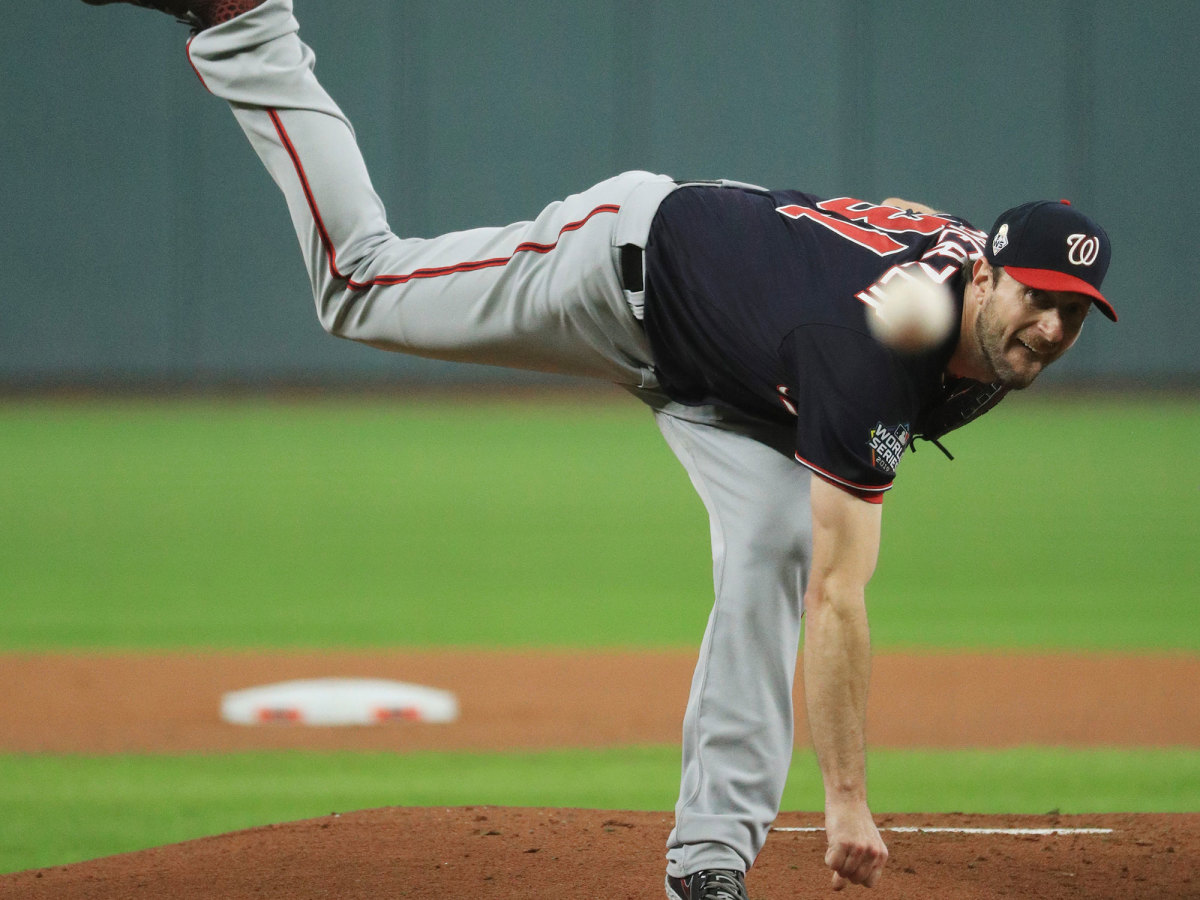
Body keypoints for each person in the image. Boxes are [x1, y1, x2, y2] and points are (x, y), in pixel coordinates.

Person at [81, 1, 1116, 896]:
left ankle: (707, 856)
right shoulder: (874, 351)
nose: (1054, 331)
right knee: (360, 286)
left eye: (1076, 315)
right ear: (984, 277)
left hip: (737, 384)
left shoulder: (978, 302)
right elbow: (844, 602)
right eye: (1041, 302)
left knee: (770, 549)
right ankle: (247, 26)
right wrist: (846, 800)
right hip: (617, 275)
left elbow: (892, 257)